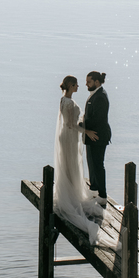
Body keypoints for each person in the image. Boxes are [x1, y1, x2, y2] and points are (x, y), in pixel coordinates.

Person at [54, 75, 103, 245]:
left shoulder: (63, 100)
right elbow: (70, 125)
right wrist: (86, 131)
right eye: (76, 85)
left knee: (68, 166)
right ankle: (71, 196)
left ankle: (70, 191)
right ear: (71, 85)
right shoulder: (68, 103)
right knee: (71, 165)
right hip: (69, 137)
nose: (79, 87)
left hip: (66, 137)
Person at [81, 71, 111, 199]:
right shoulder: (96, 94)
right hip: (91, 136)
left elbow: (97, 118)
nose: (86, 84)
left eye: (89, 82)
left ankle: (102, 195)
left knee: (97, 165)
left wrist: (79, 124)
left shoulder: (100, 96)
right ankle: (94, 189)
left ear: (97, 82)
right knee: (91, 164)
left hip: (97, 136)